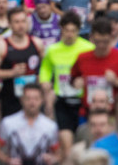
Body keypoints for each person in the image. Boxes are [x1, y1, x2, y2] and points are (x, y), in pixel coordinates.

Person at [38, 11, 95, 160]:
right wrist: (44, 81)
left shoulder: (88, 48)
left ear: (78, 31)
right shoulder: (52, 49)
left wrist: (85, 79)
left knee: (83, 146)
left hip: (82, 102)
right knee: (67, 146)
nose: (70, 34)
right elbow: (45, 68)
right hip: (62, 101)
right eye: (66, 30)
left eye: (73, 31)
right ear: (61, 30)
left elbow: (96, 70)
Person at [70, 17, 118, 115]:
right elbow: (72, 79)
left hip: (113, 113)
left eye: (105, 41)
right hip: (88, 113)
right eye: (98, 42)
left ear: (111, 37)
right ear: (91, 38)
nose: (101, 46)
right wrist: (75, 82)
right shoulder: (82, 58)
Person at [0, 7, 44, 117]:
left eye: (23, 21)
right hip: (10, 99)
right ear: (10, 24)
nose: (21, 25)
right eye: (16, 22)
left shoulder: (37, 43)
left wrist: (41, 78)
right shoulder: (2, 45)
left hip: (33, 100)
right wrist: (11, 73)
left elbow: (45, 67)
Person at [0, 83, 59, 165]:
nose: (32, 102)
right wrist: (8, 160)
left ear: (42, 100)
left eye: (36, 99)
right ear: (21, 100)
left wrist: (52, 159)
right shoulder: (8, 123)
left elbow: (58, 153)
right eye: (28, 99)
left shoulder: (50, 126)